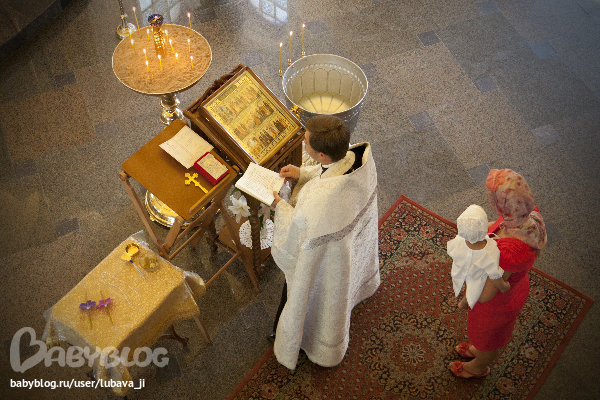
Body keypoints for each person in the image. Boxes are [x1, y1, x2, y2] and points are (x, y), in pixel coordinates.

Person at [269, 115, 380, 370]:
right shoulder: (359, 157)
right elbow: (331, 171)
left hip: (328, 259)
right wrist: (302, 173)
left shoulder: (321, 200)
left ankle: (299, 338)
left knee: (311, 293)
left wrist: (280, 206)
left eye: (306, 142)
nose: (303, 143)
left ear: (321, 154)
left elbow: (297, 230)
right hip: (350, 242)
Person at [450, 169, 547, 378]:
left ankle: (479, 366)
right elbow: (495, 229)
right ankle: (478, 350)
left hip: (496, 305)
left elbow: (486, 295)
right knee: (484, 336)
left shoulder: (507, 253)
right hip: (514, 288)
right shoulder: (526, 218)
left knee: (488, 338)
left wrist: (468, 295)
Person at [448, 204, 510, 311]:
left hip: (463, 267)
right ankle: (463, 303)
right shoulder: (490, 251)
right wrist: (504, 287)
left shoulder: (459, 240)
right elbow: (494, 275)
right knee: (473, 289)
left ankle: (463, 297)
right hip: (477, 274)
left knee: (468, 282)